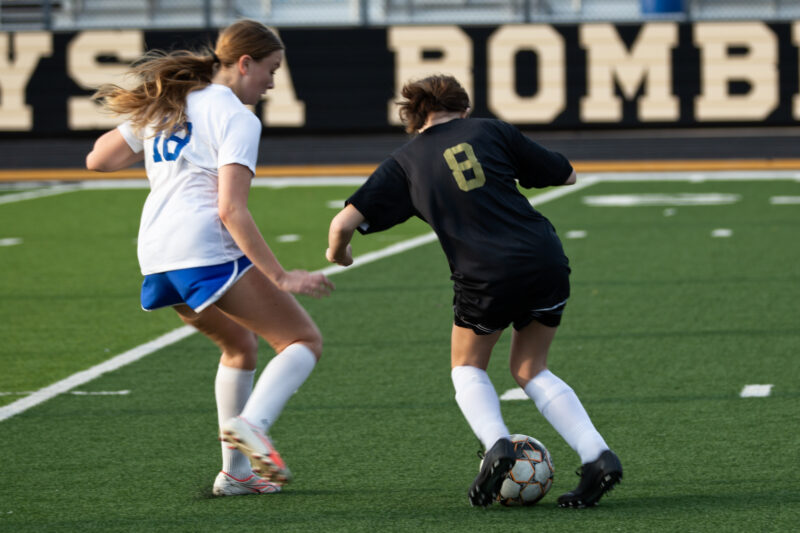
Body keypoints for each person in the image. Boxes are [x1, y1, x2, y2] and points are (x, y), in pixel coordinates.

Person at [326, 74, 622, 508]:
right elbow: (568, 175)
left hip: (484, 274)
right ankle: (598, 456)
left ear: (414, 116)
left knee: (467, 367)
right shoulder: (490, 130)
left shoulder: (404, 161)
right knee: (530, 368)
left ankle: (496, 444)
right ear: (463, 109)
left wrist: (341, 254)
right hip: (544, 259)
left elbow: (342, 225)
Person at [86, 19, 334, 497]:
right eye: (270, 69)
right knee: (302, 340)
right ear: (244, 63)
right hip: (201, 247)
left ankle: (236, 473)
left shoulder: (173, 102)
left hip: (156, 254)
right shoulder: (238, 116)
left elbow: (98, 159)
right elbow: (230, 209)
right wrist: (281, 276)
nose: (272, 81)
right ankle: (254, 425)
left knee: (240, 347)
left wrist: (147, 116)